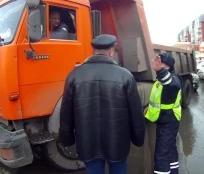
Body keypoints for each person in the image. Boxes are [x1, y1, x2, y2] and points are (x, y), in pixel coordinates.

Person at [59, 34, 145, 174]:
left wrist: (67, 139)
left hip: (88, 143)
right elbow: (136, 113)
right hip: (118, 144)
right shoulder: (125, 75)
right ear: (111, 51)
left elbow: (66, 113)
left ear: (94, 51)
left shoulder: (74, 75)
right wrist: (138, 138)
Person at [144, 53, 183, 174]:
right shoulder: (161, 80)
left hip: (169, 122)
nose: (158, 65)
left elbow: (171, 84)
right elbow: (158, 99)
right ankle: (174, 171)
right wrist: (148, 108)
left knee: (161, 156)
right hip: (165, 120)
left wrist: (160, 71)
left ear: (168, 67)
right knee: (170, 149)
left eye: (161, 63)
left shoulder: (174, 79)